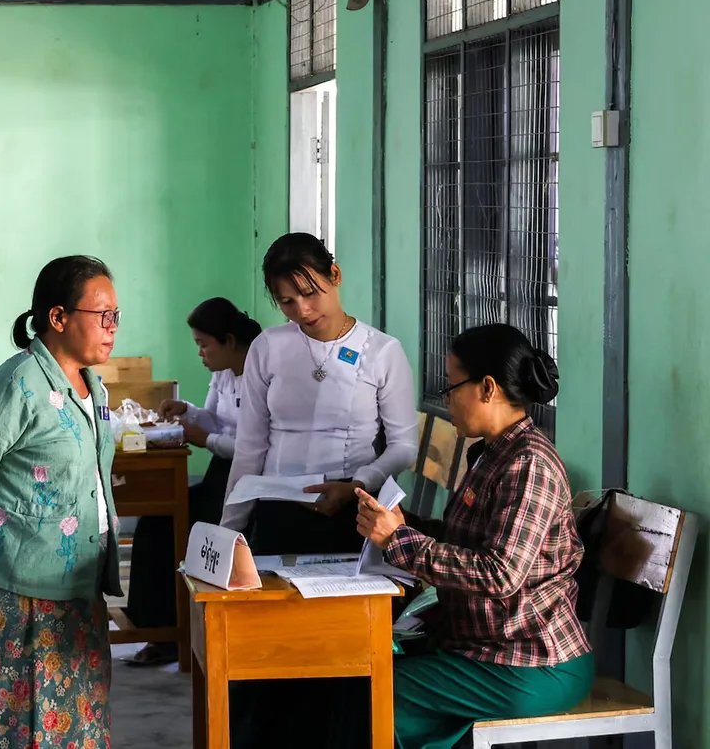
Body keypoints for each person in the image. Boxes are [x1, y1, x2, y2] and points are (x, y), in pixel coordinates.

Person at [223, 232, 420, 749]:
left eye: (310, 292)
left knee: (336, 653)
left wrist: (357, 484)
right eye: (286, 301)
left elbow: (403, 447)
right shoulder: (269, 347)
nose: (302, 310)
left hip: (347, 518)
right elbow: (250, 447)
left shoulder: (382, 352)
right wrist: (227, 534)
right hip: (279, 510)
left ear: (335, 276)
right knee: (268, 649)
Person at [356, 324, 592, 749]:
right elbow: (466, 542)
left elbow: (500, 574)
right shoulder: (494, 452)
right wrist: (404, 526)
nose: (446, 398)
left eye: (452, 385)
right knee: (364, 664)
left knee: (376, 691)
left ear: (487, 388)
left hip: (533, 661)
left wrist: (400, 542)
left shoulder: (528, 463)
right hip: (485, 647)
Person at [0, 256, 124, 749]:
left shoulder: (90, 386)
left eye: (116, 316)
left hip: (74, 584)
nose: (111, 327)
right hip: (8, 589)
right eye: (101, 315)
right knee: (11, 726)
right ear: (58, 318)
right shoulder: (17, 385)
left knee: (78, 723)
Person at [121, 297, 260, 667]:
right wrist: (187, 412)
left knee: (173, 526)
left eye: (204, 344)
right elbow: (214, 419)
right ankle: (159, 631)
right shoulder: (223, 373)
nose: (200, 353)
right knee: (154, 522)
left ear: (229, 340)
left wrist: (205, 439)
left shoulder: (261, 374)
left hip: (247, 481)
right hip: (221, 471)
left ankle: (173, 635)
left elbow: (255, 447)